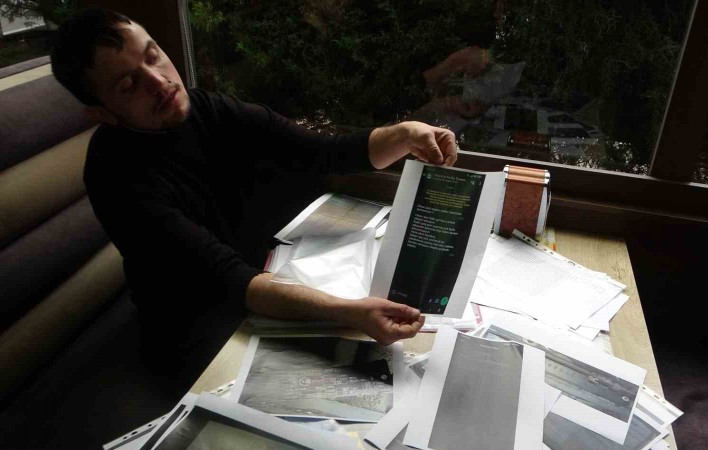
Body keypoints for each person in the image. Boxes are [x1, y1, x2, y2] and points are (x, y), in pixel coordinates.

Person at [49, 8, 458, 360]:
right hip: (201, 322)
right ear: (102, 114)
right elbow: (230, 281)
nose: (158, 81)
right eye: (128, 85)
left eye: (153, 56)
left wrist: (405, 134)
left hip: (263, 281)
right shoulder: (116, 179)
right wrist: (349, 311)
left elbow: (322, 152)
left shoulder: (207, 109)